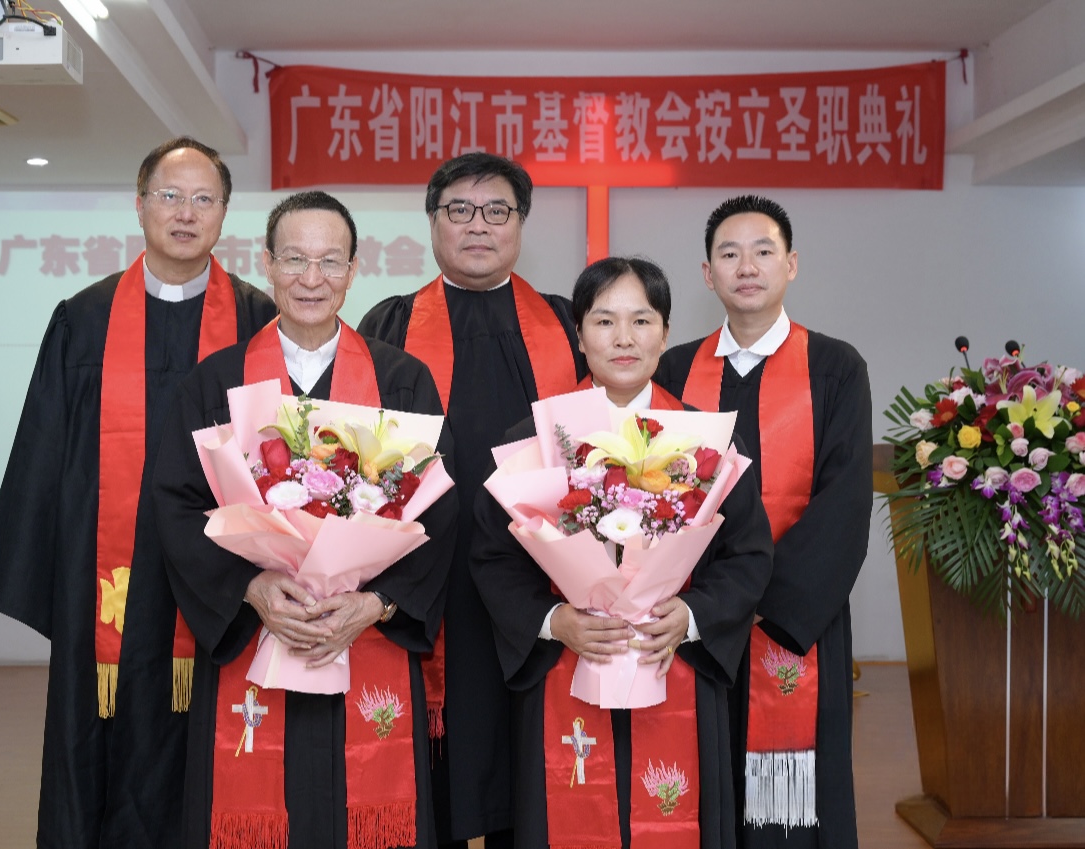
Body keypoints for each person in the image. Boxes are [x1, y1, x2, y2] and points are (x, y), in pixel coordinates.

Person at [0, 136, 278, 848]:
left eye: (203, 199)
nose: (185, 213)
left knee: (215, 730)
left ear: (225, 213)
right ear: (140, 205)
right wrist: (49, 570)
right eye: (169, 196)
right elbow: (44, 450)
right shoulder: (84, 315)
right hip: (104, 570)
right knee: (97, 734)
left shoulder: (257, 316)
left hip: (221, 573)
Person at [152, 190, 459, 849]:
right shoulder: (216, 382)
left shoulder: (403, 381)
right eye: (294, 259)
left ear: (354, 269)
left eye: (329, 261)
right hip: (259, 634)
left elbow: (441, 508)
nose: (311, 278)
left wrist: (378, 602)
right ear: (267, 264)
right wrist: (251, 588)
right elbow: (176, 504)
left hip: (366, 637)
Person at [470, 256, 773, 848]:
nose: (624, 338)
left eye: (642, 320)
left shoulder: (705, 440)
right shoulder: (530, 438)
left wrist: (690, 617)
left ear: (665, 333)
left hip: (673, 658)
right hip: (566, 664)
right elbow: (491, 558)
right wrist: (553, 621)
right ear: (579, 335)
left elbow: (748, 556)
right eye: (604, 321)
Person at [358, 152, 584, 848]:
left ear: (520, 224)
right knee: (443, 756)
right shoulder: (390, 322)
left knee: (531, 749)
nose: (477, 226)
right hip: (436, 577)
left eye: (497, 211)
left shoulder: (567, 321)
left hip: (542, 575)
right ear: (433, 223)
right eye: (459, 209)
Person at [656, 196, 872, 849]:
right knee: (699, 783)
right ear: (707, 273)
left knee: (789, 803)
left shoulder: (835, 367)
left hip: (791, 621)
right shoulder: (674, 370)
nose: (745, 266)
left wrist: (750, 597)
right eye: (729, 253)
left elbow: (844, 504)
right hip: (692, 621)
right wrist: (704, 603)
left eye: (763, 250)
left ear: (792, 264)